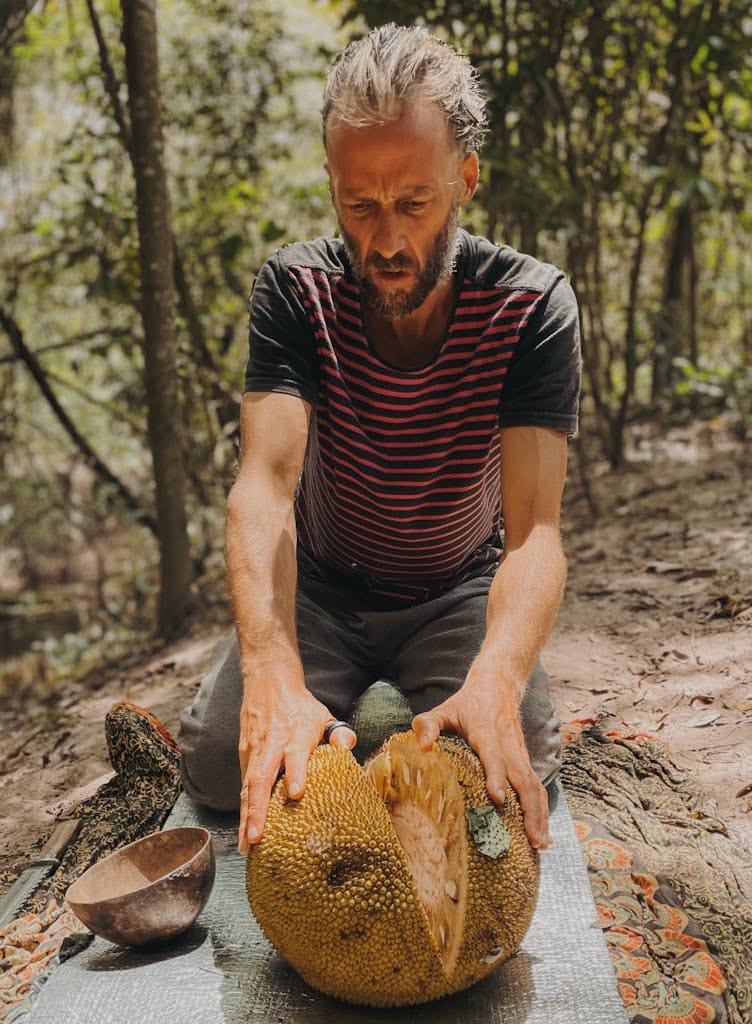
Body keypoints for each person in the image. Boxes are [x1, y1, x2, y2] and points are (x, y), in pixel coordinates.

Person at [179, 23, 580, 858]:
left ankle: (370, 719)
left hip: (457, 592)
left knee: (521, 755)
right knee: (222, 765)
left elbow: (535, 531)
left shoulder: (533, 306)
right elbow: (263, 489)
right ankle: (338, 711)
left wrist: (499, 678)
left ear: (464, 179)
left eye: (413, 204)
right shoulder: (296, 290)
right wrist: (270, 670)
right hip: (322, 591)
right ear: (333, 184)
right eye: (360, 206)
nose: (387, 241)